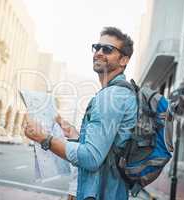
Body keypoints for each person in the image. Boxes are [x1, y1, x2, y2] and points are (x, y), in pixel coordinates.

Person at [24, 27, 137, 200]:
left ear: (123, 60)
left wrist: (44, 138)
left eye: (107, 49)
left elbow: (91, 158)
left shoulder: (111, 96)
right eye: (97, 47)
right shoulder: (116, 94)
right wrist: (74, 134)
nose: (98, 52)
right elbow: (105, 149)